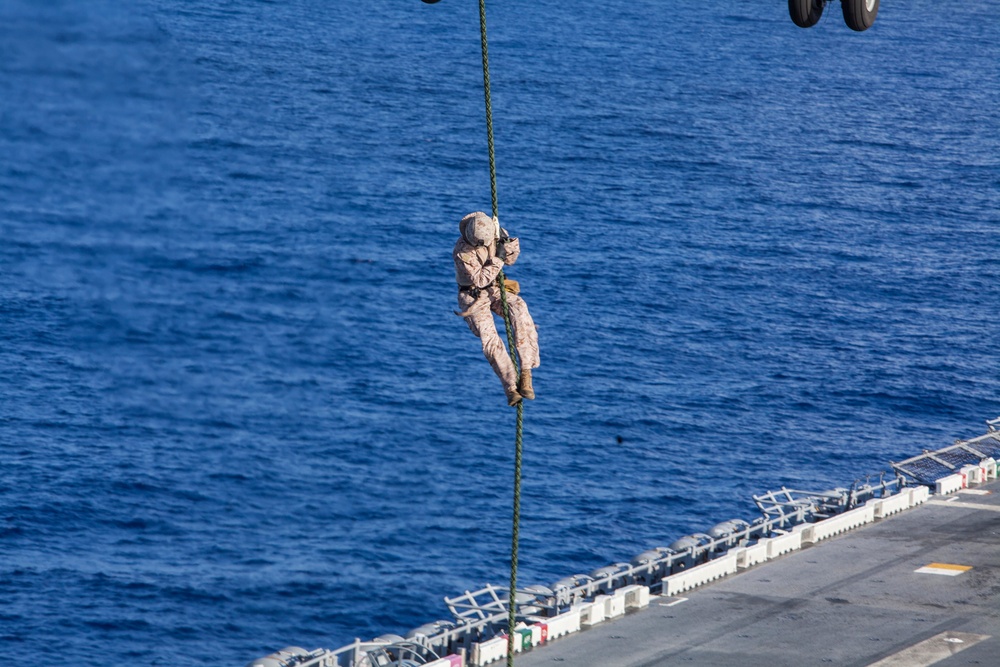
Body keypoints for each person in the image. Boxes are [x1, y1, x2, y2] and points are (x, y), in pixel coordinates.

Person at [453, 211, 539, 406]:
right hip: (472, 295)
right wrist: (498, 259)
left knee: (520, 312)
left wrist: (508, 244)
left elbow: (511, 260)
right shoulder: (462, 251)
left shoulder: (494, 232)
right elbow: (480, 279)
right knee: (489, 339)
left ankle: (526, 372)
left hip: (494, 289)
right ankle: (510, 387)